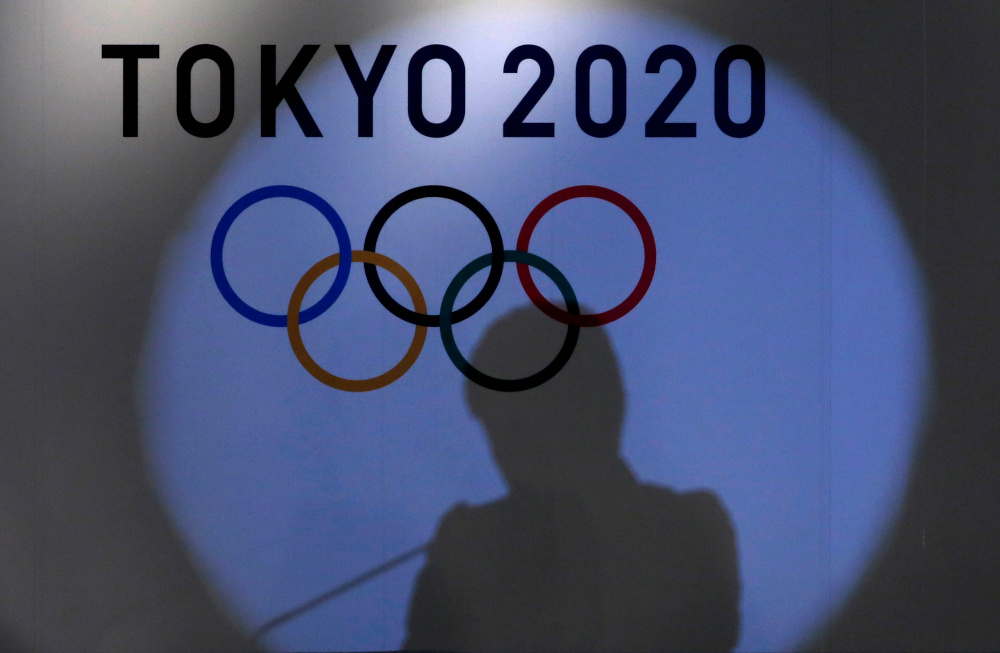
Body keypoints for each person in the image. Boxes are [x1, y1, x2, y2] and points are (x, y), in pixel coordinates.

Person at [403, 305, 740, 652]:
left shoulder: (689, 527)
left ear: (592, 400)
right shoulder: (469, 543)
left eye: (521, 416)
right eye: (498, 425)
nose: (506, 445)